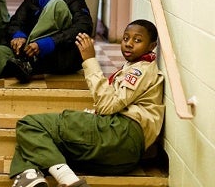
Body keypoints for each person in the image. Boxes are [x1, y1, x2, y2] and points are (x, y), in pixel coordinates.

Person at [8, 19, 165, 187]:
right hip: (124, 157)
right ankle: (29, 177)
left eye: (137, 40)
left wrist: (89, 60)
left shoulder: (140, 69)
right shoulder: (136, 67)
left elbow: (107, 105)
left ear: (152, 46)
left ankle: (68, 180)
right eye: (126, 38)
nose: (128, 44)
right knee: (42, 145)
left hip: (120, 134)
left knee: (30, 125)